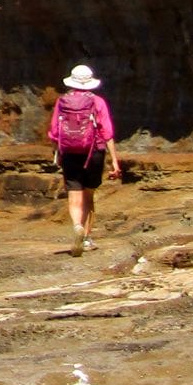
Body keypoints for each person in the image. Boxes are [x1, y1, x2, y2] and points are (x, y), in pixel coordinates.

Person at [49, 63, 120, 256]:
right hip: (94, 152)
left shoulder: (62, 101)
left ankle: (77, 226)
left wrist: (57, 154)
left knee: (74, 196)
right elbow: (107, 133)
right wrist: (114, 161)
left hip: (70, 153)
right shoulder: (98, 102)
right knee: (89, 196)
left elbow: (55, 132)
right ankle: (87, 239)